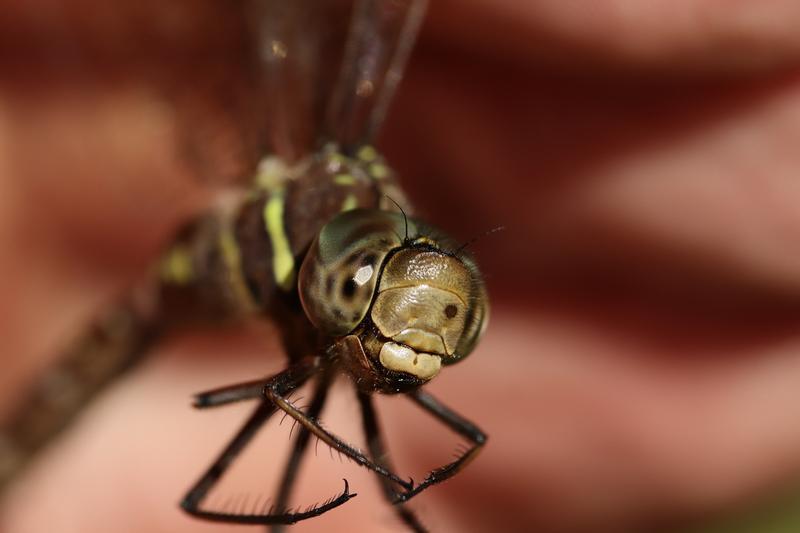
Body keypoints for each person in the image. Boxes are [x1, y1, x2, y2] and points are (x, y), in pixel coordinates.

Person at [3, 1, 800, 531]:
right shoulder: (308, 238)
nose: (412, 339)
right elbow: (209, 470)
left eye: (456, 322)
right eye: (362, 292)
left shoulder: (342, 306)